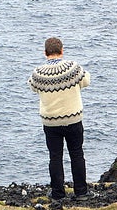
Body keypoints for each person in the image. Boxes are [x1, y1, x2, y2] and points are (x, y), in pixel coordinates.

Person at [28, 37, 92, 201]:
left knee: (55, 157)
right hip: (73, 119)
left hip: (50, 122)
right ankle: (81, 192)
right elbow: (86, 80)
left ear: (45, 52)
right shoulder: (73, 68)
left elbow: (32, 87)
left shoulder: (38, 73)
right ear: (62, 51)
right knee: (76, 154)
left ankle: (58, 193)